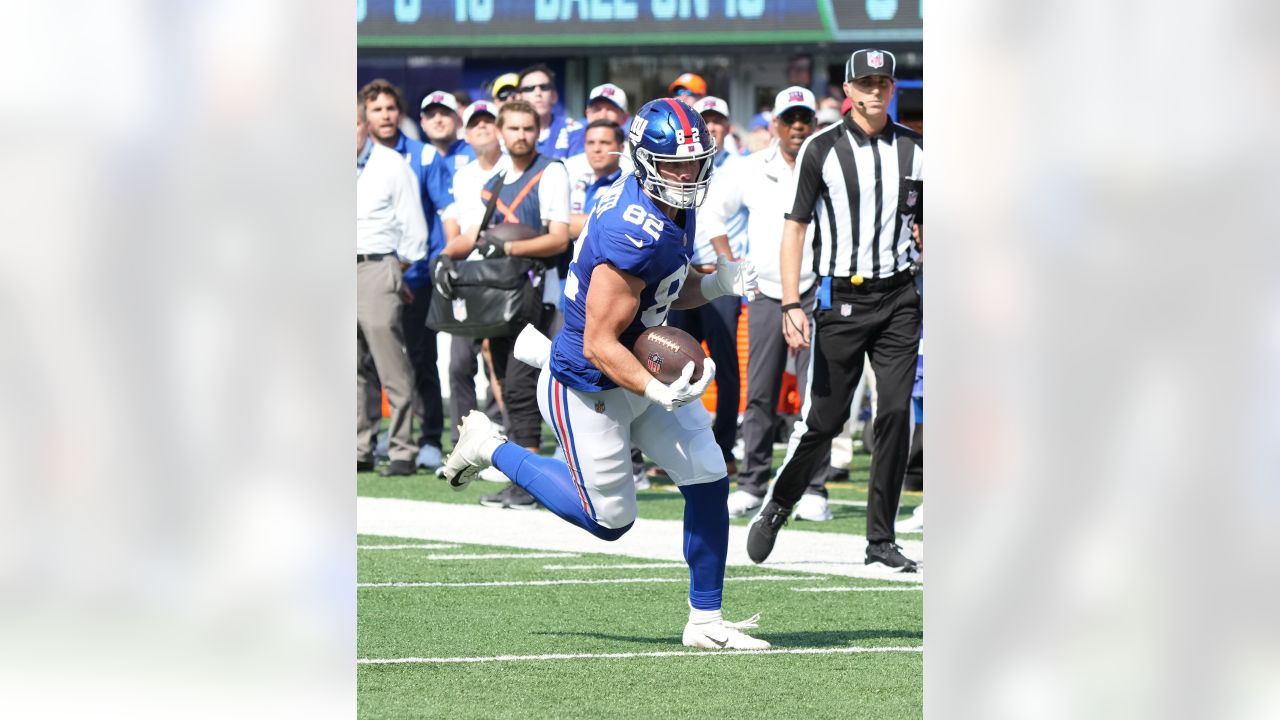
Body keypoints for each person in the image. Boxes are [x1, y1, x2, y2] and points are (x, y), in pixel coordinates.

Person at [441, 99, 766, 650]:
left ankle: (705, 622)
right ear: (644, 161)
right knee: (610, 522)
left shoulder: (666, 204)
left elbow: (660, 287)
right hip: (589, 385)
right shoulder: (631, 229)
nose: (687, 175)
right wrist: (657, 389)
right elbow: (598, 342)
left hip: (635, 368)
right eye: (674, 165)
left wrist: (714, 283)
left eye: (694, 163)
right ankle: (491, 447)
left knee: (709, 475)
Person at [746, 49, 924, 572]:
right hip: (842, 298)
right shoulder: (820, 148)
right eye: (865, 83)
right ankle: (780, 502)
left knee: (894, 412)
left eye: (883, 82)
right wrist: (792, 302)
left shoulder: (917, 149)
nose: (875, 91)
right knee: (825, 420)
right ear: (847, 90)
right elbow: (795, 225)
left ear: (893, 89)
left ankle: (880, 540)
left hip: (900, 298)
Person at [703, 86, 834, 521]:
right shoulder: (749, 167)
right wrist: (730, 264)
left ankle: (814, 487)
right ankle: (753, 482)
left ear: (814, 124)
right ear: (774, 124)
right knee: (760, 392)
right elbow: (713, 214)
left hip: (819, 290)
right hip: (767, 292)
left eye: (805, 119)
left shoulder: (829, 162)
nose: (798, 126)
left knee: (820, 393)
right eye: (790, 119)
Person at [442, 99, 571, 510]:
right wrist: (445, 259)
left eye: (527, 129)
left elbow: (559, 237)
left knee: (519, 387)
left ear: (538, 131)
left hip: (536, 291)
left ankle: (532, 485)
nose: (520, 136)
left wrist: (510, 244)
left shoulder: (551, 171)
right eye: (512, 129)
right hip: (499, 296)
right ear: (500, 132)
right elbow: (473, 234)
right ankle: (523, 480)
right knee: (504, 382)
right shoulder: (495, 179)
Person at [358, 79, 443, 474]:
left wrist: (396, 270)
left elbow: (415, 231)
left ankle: (403, 449)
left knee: (391, 362)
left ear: (364, 126)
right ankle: (360, 446)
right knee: (354, 367)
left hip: (379, 265)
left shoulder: (393, 164)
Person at [666, 96, 746, 478]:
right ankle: (676, 448)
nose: (712, 126)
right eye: (705, 120)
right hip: (680, 274)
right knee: (675, 364)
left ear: (728, 127)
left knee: (725, 366)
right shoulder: (680, 164)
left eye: (718, 120)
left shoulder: (741, 169)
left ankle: (725, 448)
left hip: (718, 275)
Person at [440, 101, 507, 452]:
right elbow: (465, 229)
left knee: (500, 359)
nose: (482, 127)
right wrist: (448, 255)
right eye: (475, 123)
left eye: (489, 122)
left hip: (506, 272)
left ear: (500, 129)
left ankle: (501, 431)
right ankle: (462, 437)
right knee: (459, 361)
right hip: (468, 272)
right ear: (465, 134)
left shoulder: (513, 168)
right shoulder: (462, 175)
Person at [567, 120, 626, 240]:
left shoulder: (629, 187)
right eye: (590, 143)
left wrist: (560, 224)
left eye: (604, 142)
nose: (596, 149)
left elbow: (615, 229)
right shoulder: (572, 180)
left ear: (621, 148)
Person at [516, 64, 583, 159]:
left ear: (554, 96)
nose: (538, 93)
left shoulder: (573, 130)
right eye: (530, 88)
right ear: (519, 98)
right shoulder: (509, 132)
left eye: (544, 87)